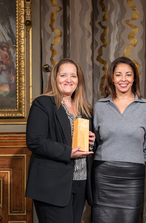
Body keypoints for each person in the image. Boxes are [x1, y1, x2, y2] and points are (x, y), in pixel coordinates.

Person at [26, 58, 95, 223]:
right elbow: (35, 140)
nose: (69, 80)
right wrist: (68, 153)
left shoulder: (85, 109)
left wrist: (92, 140)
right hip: (52, 185)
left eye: (73, 76)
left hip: (80, 182)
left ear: (79, 80)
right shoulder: (42, 103)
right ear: (55, 78)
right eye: (63, 75)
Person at [92, 56, 146, 222]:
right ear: (112, 78)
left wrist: (135, 159)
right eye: (118, 74)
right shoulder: (100, 106)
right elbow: (94, 141)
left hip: (132, 176)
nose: (123, 79)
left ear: (134, 78)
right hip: (104, 173)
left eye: (128, 74)